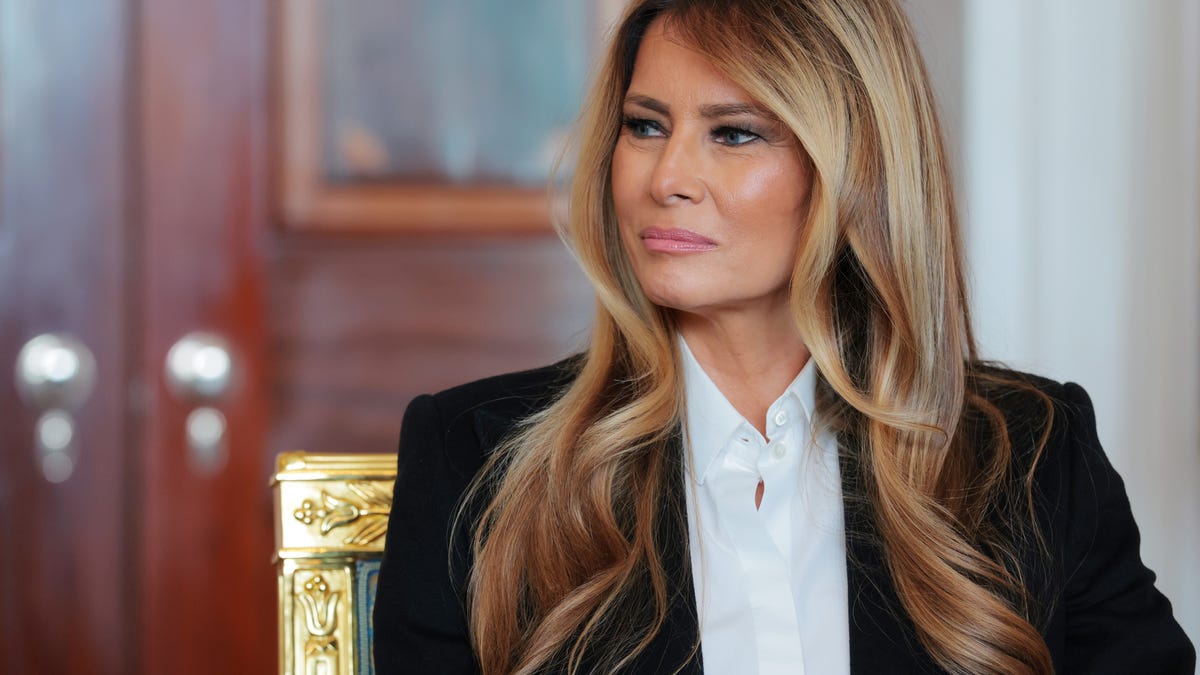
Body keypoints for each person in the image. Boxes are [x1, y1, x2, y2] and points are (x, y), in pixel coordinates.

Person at [372, 0, 1196, 673]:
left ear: (852, 166)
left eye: (733, 133)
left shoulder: (1030, 453)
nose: (668, 179)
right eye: (646, 126)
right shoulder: (474, 457)